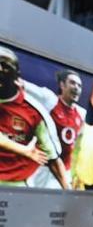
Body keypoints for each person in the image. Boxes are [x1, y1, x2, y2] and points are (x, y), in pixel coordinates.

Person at [0, 47, 67, 189]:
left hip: (15, 184)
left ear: (17, 75)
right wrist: (25, 150)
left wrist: (69, 193)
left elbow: (53, 159)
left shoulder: (34, 112)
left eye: (5, 66)